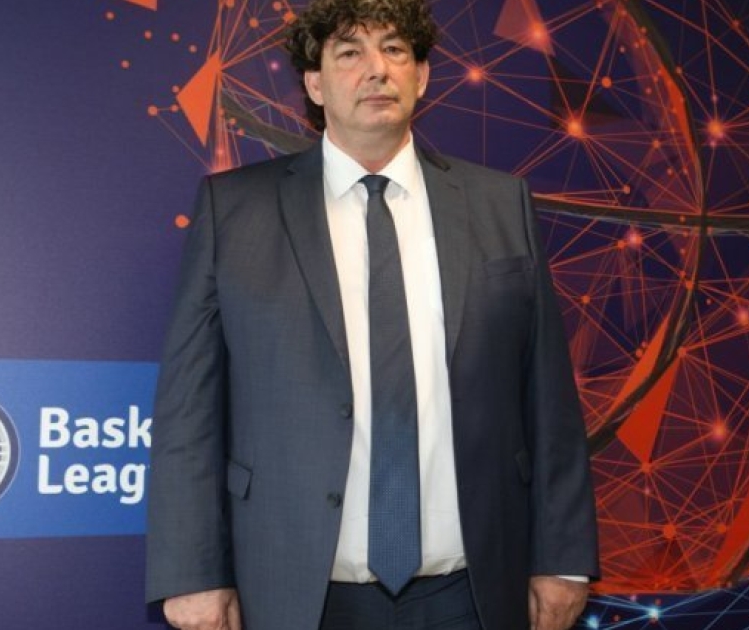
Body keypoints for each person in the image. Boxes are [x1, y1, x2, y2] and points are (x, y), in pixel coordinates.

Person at [145, 0, 599, 628]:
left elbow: (548, 397)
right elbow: (189, 411)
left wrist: (564, 558)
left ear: (422, 76)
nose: (376, 69)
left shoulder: (501, 203)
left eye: (394, 50)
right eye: (350, 52)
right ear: (314, 83)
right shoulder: (235, 211)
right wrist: (192, 573)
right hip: (297, 592)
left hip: (472, 591)